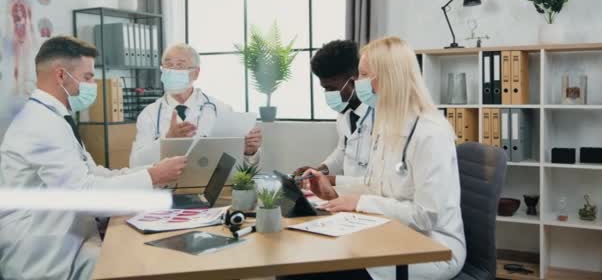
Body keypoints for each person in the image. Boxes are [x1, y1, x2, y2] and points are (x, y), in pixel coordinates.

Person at [0, 36, 187, 280]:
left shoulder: (54, 118)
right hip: (43, 258)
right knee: (149, 264)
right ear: (60, 75)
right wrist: (152, 176)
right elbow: (84, 193)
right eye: (87, 77)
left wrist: (152, 171)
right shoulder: (41, 125)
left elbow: (94, 173)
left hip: (67, 243)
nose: (92, 85)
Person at [301, 37, 466, 280]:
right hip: (391, 231)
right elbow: (376, 183)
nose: (359, 83)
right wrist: (334, 190)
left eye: (364, 75)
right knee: (306, 262)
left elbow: (426, 216)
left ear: (389, 78)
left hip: (433, 247)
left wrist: (358, 203)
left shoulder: (430, 133)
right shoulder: (388, 124)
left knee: (324, 271)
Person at [129, 43, 262, 167]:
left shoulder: (221, 110)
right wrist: (167, 140)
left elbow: (239, 167)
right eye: (168, 65)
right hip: (165, 188)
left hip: (208, 188)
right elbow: (135, 164)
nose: (173, 70)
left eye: (180, 65)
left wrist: (249, 152)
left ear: (196, 73)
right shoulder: (149, 114)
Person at [293, 40, 373, 189]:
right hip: (349, 195)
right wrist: (319, 170)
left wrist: (330, 180)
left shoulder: (380, 115)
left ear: (354, 80)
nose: (328, 94)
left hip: (373, 197)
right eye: (324, 88)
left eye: (331, 88)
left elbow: (380, 180)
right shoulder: (344, 114)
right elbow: (343, 152)